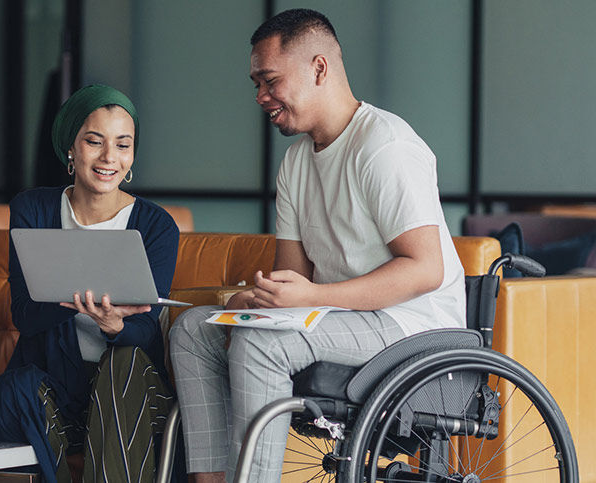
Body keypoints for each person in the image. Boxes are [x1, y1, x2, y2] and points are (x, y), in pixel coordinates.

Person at [169, 9, 466, 482]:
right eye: (256, 85)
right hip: (341, 318)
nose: (261, 97)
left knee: (262, 341)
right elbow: (295, 277)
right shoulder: (296, 163)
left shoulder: (384, 146)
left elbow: (424, 269)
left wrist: (310, 299)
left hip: (410, 324)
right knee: (192, 329)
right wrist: (262, 298)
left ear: (319, 68)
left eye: (269, 81)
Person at [0, 84, 180, 483]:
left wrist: (114, 325)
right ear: (71, 148)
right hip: (61, 388)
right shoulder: (33, 208)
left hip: (132, 389)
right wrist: (66, 298)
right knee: (16, 386)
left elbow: (144, 326)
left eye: (123, 145)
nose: (109, 158)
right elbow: (25, 314)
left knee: (122, 365)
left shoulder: (156, 226)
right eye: (94, 141)